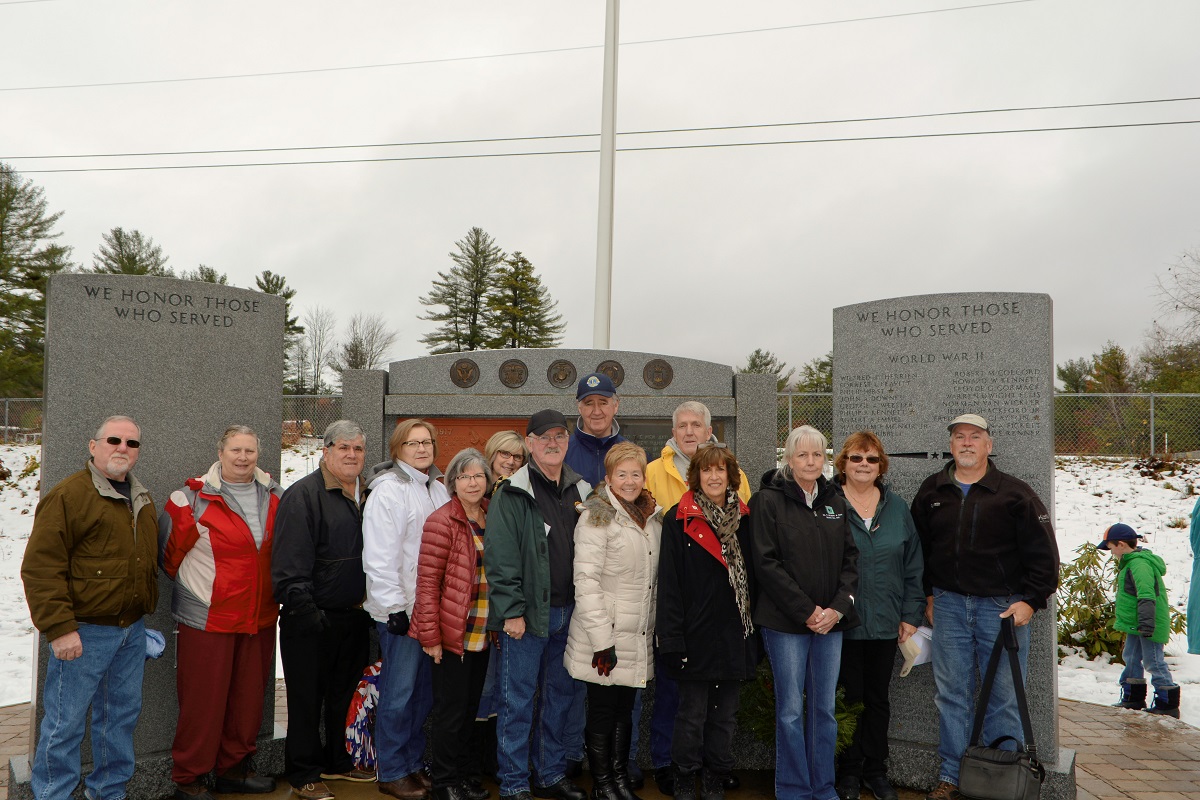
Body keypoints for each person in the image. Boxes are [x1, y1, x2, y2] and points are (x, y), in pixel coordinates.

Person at [911, 414, 1059, 800]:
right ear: (951, 445)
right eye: (959, 437)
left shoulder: (1015, 494)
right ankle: (952, 776)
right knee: (951, 695)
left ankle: (1000, 780)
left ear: (988, 445)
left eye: (974, 437)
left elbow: (1044, 556)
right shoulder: (932, 491)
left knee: (1004, 696)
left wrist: (1031, 601)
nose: (966, 443)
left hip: (1002, 610)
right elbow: (918, 551)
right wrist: (928, 595)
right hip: (948, 606)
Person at [21, 415, 159, 800]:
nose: (123, 448)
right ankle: (52, 795)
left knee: (119, 721)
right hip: (83, 633)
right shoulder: (69, 496)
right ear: (93, 446)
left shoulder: (141, 498)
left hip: (130, 632)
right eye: (114, 440)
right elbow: (41, 567)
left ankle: (109, 793)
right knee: (65, 726)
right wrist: (60, 628)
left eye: (132, 443)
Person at [160, 425, 283, 800]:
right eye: (236, 450)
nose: (243, 457)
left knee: (248, 700)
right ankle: (190, 779)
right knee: (203, 703)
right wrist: (205, 592)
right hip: (209, 619)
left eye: (249, 450)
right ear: (221, 452)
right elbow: (167, 557)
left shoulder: (276, 496)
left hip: (259, 618)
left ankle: (234, 770)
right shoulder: (189, 499)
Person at [643, 401, 752, 795]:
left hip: (732, 635)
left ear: (731, 475)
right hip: (693, 635)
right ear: (696, 476)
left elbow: (752, 580)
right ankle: (685, 775)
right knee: (690, 716)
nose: (714, 476)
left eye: (720, 470)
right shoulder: (677, 519)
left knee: (724, 718)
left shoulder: (745, 520)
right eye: (706, 470)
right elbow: (669, 586)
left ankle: (715, 776)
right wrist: (671, 639)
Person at [485, 409, 591, 800]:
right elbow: (500, 558)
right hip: (527, 617)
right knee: (517, 701)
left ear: (567, 442)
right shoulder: (512, 492)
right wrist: (511, 611)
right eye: (543, 437)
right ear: (529, 444)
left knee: (560, 699)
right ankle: (514, 783)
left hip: (571, 615)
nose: (552, 443)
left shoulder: (581, 490)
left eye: (559, 437)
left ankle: (548, 774)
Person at [750, 425, 859, 800]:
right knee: (792, 712)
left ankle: (823, 787)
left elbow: (850, 560)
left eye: (818, 455)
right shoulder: (768, 500)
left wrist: (837, 609)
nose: (811, 461)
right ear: (789, 459)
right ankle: (795, 790)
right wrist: (807, 610)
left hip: (831, 625)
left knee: (825, 711)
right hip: (786, 624)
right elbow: (765, 564)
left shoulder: (835, 501)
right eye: (802, 455)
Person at [272, 420, 374, 800]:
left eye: (358, 449)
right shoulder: (303, 496)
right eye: (342, 447)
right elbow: (289, 563)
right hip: (311, 619)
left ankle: (338, 761)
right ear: (325, 451)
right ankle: (303, 773)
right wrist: (309, 612)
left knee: (343, 695)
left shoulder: (367, 494)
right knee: (305, 699)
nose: (351, 455)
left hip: (353, 615)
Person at [565, 442, 662, 800]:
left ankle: (619, 779)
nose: (629, 480)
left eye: (635, 473)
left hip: (636, 635)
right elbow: (586, 581)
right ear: (608, 478)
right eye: (621, 474)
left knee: (625, 711)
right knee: (603, 712)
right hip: (603, 637)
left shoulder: (650, 517)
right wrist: (602, 640)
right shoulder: (596, 516)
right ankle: (603, 784)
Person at [831, 432, 924, 800]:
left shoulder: (897, 508)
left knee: (878, 699)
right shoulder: (829, 504)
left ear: (881, 465)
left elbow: (914, 565)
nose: (864, 465)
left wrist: (911, 613)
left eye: (871, 459)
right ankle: (848, 770)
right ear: (843, 463)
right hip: (844, 622)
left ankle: (876, 769)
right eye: (856, 458)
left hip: (886, 622)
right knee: (849, 697)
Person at [364, 419, 453, 800]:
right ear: (397, 449)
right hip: (401, 612)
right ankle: (392, 770)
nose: (422, 449)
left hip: (431, 610)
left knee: (422, 695)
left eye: (427, 442)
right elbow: (381, 556)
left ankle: (414, 764)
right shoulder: (389, 490)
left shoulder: (437, 487)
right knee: (398, 695)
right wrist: (393, 607)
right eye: (412, 443)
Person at [410, 448, 494, 800]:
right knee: (450, 712)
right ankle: (445, 784)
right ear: (452, 482)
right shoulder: (442, 521)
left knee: (469, 709)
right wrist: (430, 636)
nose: (472, 482)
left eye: (478, 476)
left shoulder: (492, 514)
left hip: (483, 633)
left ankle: (459, 775)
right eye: (464, 476)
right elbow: (427, 583)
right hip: (452, 635)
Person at [1099, 523, 1179, 717]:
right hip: (1137, 624)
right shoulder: (1131, 563)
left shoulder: (1139, 564)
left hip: (1147, 623)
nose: (1111, 553)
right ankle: (1133, 698)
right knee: (1131, 657)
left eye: (1110, 548)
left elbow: (1146, 595)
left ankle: (1167, 704)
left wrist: (1146, 624)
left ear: (1121, 545)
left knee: (1153, 661)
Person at [564, 372, 626, 487]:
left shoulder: (633, 454)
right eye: (589, 404)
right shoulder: (562, 452)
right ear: (579, 408)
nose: (597, 411)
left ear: (616, 406)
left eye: (603, 403)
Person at [485, 430, 527, 496]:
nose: (511, 462)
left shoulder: (525, 492)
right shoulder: (478, 487)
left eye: (517, 457)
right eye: (505, 454)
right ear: (492, 454)